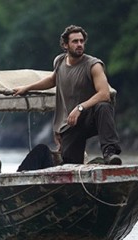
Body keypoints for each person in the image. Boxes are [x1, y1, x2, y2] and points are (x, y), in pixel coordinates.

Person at [13, 25, 122, 165]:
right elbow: (53, 80)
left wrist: (80, 108)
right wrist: (27, 88)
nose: (79, 45)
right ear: (65, 45)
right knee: (70, 164)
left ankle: (109, 153)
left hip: (90, 117)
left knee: (103, 106)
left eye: (82, 41)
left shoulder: (93, 65)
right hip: (70, 123)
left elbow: (104, 94)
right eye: (75, 41)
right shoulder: (59, 61)